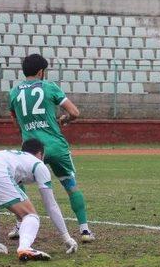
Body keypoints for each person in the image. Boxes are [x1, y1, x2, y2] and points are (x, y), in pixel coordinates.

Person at [7, 53, 95, 243]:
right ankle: (85, 230)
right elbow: (74, 112)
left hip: (30, 148)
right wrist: (63, 120)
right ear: (41, 72)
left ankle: (20, 224)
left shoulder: (14, 92)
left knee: (18, 184)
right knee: (70, 186)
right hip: (56, 146)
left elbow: (16, 123)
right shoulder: (49, 87)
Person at [0, 138, 78, 261]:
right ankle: (25, 248)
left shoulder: (12, 158)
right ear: (40, 154)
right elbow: (51, 205)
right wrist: (66, 237)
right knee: (30, 215)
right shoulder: (38, 164)